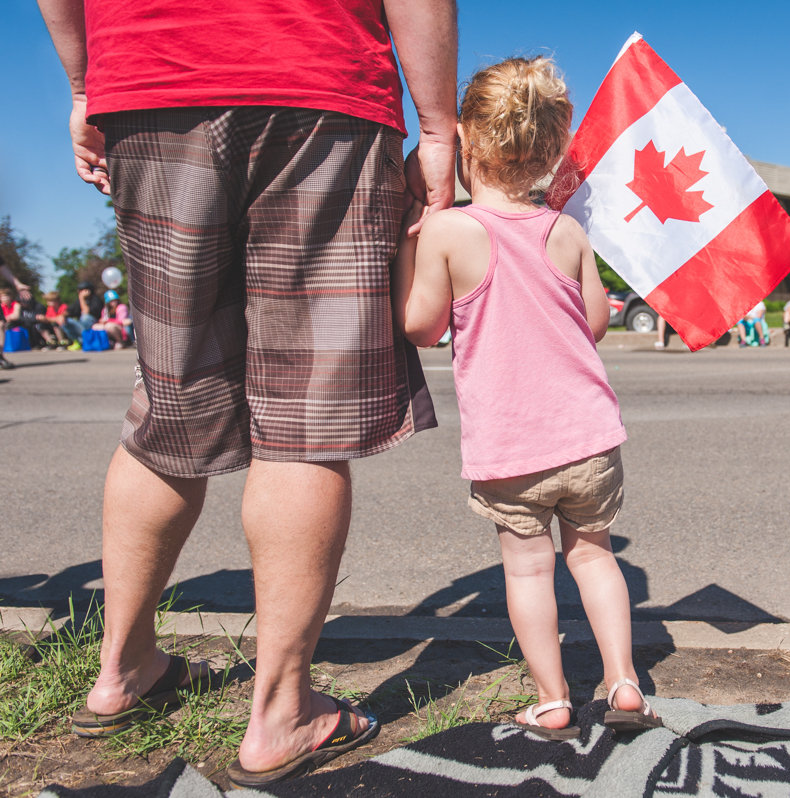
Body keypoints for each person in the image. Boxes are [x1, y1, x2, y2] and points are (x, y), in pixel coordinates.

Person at [38, 0, 456, 786]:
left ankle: (121, 671)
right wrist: (437, 130)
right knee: (306, 417)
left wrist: (84, 86)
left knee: (169, 399)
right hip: (317, 81)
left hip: (150, 76)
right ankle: (281, 713)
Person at [394, 55, 662, 740]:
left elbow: (421, 327)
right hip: (588, 437)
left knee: (527, 568)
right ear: (551, 150)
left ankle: (552, 696)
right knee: (594, 555)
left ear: (464, 141)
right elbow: (596, 322)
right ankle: (623, 681)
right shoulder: (567, 231)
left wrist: (406, 245)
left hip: (510, 446)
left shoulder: (450, 231)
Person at [64, 281, 104, 350]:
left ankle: (88, 341)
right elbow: (69, 311)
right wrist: (62, 316)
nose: (79, 292)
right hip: (83, 328)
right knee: (66, 321)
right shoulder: (78, 301)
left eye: (82, 290)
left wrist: (82, 299)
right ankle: (78, 342)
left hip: (95, 328)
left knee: (85, 318)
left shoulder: (96, 300)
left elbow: (86, 312)